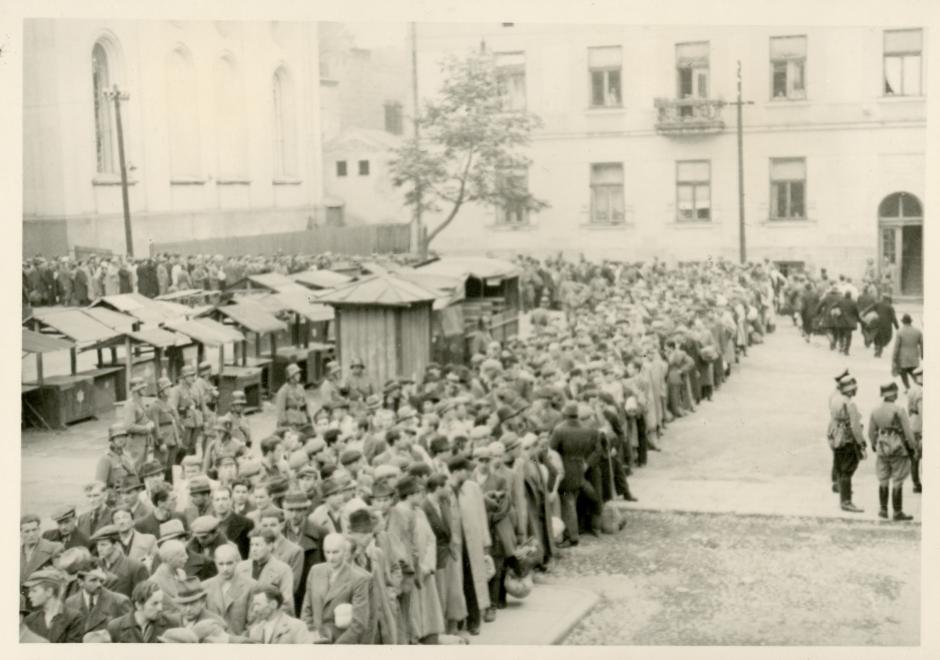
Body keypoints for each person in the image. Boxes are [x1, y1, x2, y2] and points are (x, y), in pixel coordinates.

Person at [300, 532, 372, 644]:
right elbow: (307, 609)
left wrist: (337, 648)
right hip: (315, 641)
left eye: (335, 552)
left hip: (342, 643)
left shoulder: (358, 579)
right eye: (327, 552)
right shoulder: (315, 571)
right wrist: (311, 635)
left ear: (344, 552)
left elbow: (359, 623)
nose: (331, 557)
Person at [549, 401, 598, 547]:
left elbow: (551, 449)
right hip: (580, 467)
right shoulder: (586, 429)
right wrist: (584, 461)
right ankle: (576, 530)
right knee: (574, 499)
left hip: (566, 468)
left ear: (565, 414)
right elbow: (593, 449)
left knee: (567, 502)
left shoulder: (560, 430)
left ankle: (572, 536)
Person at [868, 382, 916, 521]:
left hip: (882, 447)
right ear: (894, 394)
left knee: (883, 478)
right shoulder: (899, 410)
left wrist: (873, 444)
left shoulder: (875, 410)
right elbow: (908, 432)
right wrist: (913, 447)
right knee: (898, 479)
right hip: (898, 447)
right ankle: (897, 511)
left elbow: (871, 432)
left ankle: (883, 509)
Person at [827, 373, 866, 512]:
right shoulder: (850, 404)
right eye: (854, 388)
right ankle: (846, 501)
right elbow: (855, 426)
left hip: (836, 437)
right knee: (847, 470)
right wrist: (861, 443)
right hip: (848, 439)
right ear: (850, 389)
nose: (856, 390)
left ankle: (843, 500)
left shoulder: (835, 399)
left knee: (840, 468)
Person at [64, 558, 132, 638]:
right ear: (80, 582)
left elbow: (129, 636)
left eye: (101, 580)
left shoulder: (119, 602)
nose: (99, 584)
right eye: (93, 580)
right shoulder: (70, 603)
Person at [203, 543, 257, 636]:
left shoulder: (251, 585)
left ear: (237, 561)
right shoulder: (205, 587)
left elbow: (254, 622)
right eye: (221, 564)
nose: (225, 569)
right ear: (215, 562)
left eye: (229, 563)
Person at [237, 528, 295, 614]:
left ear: (270, 546)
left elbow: (286, 603)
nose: (253, 549)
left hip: (269, 619)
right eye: (251, 545)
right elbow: (232, 596)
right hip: (244, 619)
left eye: (258, 545)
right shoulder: (241, 567)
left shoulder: (283, 570)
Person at [22, 568, 83, 643]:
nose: (29, 595)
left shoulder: (74, 618)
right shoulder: (30, 619)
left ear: (49, 592)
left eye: (34, 591)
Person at [107, 582, 181, 643]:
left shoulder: (172, 624)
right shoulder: (115, 628)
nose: (160, 608)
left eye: (161, 602)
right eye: (155, 604)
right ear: (138, 605)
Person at [92, 524, 149, 600]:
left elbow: (142, 597)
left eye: (103, 545)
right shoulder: (96, 565)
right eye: (97, 545)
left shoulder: (135, 567)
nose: (99, 549)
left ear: (116, 545)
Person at [95, 424, 138, 507]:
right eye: (117, 437)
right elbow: (99, 485)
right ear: (112, 439)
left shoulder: (127, 455)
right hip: (114, 499)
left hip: (129, 494)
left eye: (123, 436)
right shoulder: (105, 459)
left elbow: (134, 476)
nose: (121, 439)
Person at [148, 376, 181, 482]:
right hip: (164, 439)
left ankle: (169, 485)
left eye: (169, 388)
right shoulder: (155, 406)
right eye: (166, 388)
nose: (169, 390)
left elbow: (175, 420)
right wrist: (160, 441)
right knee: (161, 465)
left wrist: (178, 437)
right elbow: (155, 425)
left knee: (171, 466)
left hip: (173, 437)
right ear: (160, 391)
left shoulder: (170, 403)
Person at [21, 514, 64, 590]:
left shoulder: (53, 548)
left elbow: (60, 575)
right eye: (27, 531)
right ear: (21, 533)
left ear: (39, 530)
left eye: (34, 530)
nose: (31, 534)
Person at [123, 377, 156, 475]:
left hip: (143, 441)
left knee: (142, 468)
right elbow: (128, 426)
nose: (144, 390)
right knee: (134, 469)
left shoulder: (140, 402)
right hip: (135, 442)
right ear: (135, 389)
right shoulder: (130, 405)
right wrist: (146, 428)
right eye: (142, 388)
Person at [275, 364, 314, 430]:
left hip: (302, 419)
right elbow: (280, 410)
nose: (299, 375)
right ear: (291, 376)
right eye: (297, 374)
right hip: (291, 421)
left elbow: (305, 404)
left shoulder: (300, 388)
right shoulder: (283, 391)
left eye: (299, 373)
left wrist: (308, 417)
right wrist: (285, 424)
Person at [892, 314, 923, 390]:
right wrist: (923, 355)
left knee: (903, 373)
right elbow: (922, 345)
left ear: (903, 322)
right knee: (915, 373)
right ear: (910, 321)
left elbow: (896, 347)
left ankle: (907, 387)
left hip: (903, 358)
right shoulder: (918, 331)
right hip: (914, 357)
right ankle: (919, 387)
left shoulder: (900, 332)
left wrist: (894, 359)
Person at [907, 366, 923, 494]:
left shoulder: (912, 389)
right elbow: (923, 412)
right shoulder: (921, 392)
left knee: (914, 458)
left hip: (913, 424)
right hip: (920, 427)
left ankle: (916, 483)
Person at [870, 293, 899, 358]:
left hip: (876, 324)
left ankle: (877, 349)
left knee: (877, 337)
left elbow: (869, 309)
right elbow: (893, 318)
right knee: (884, 338)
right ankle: (879, 352)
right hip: (886, 326)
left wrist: (863, 314)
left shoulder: (877, 304)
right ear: (888, 300)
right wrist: (897, 327)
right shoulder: (890, 307)